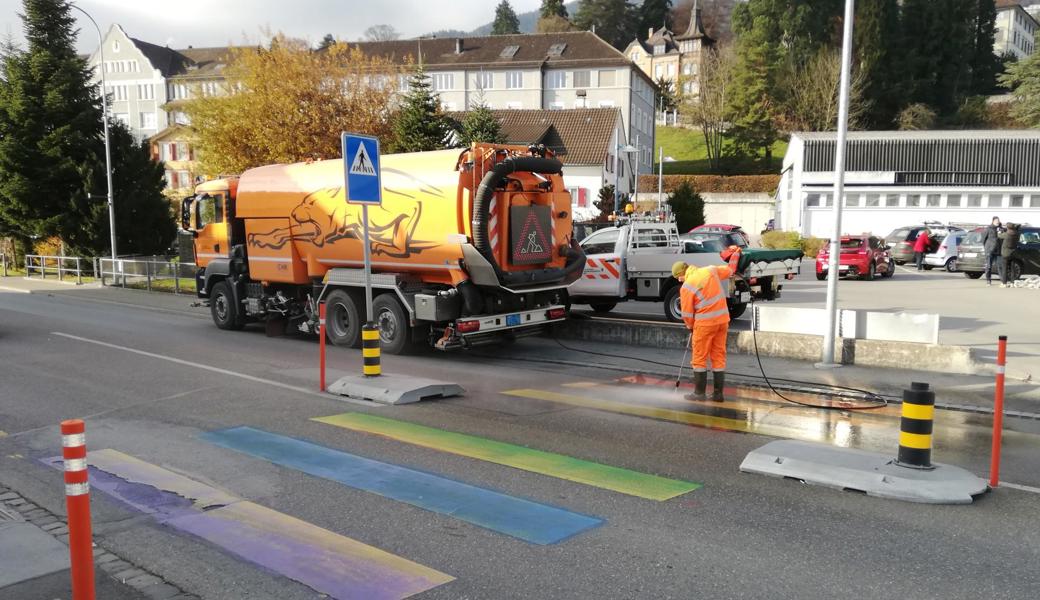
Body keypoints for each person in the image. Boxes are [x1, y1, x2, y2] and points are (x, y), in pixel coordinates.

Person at [673, 260, 733, 402]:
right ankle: (718, 394)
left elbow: (687, 314)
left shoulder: (687, 286)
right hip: (723, 321)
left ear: (682, 273)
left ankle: (699, 393)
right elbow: (729, 271)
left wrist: (691, 327)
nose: (679, 280)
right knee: (718, 356)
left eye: (678, 277)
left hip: (705, 325)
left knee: (699, 358)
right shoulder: (710, 270)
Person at [981, 216, 1004, 285]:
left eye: (998, 221)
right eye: (997, 221)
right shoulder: (988, 229)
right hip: (989, 250)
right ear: (993, 221)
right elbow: (983, 239)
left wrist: (1002, 230)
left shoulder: (1001, 229)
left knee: (1000, 265)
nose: (998, 222)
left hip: (998, 250)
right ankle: (988, 280)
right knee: (989, 265)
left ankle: (1003, 281)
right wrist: (987, 248)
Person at [998, 222, 1021, 288]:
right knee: (1012, 268)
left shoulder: (1006, 234)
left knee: (1004, 268)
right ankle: (1012, 283)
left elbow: (999, 236)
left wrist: (999, 232)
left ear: (1008, 228)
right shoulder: (1017, 234)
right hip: (1013, 253)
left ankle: (1004, 283)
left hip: (1005, 253)